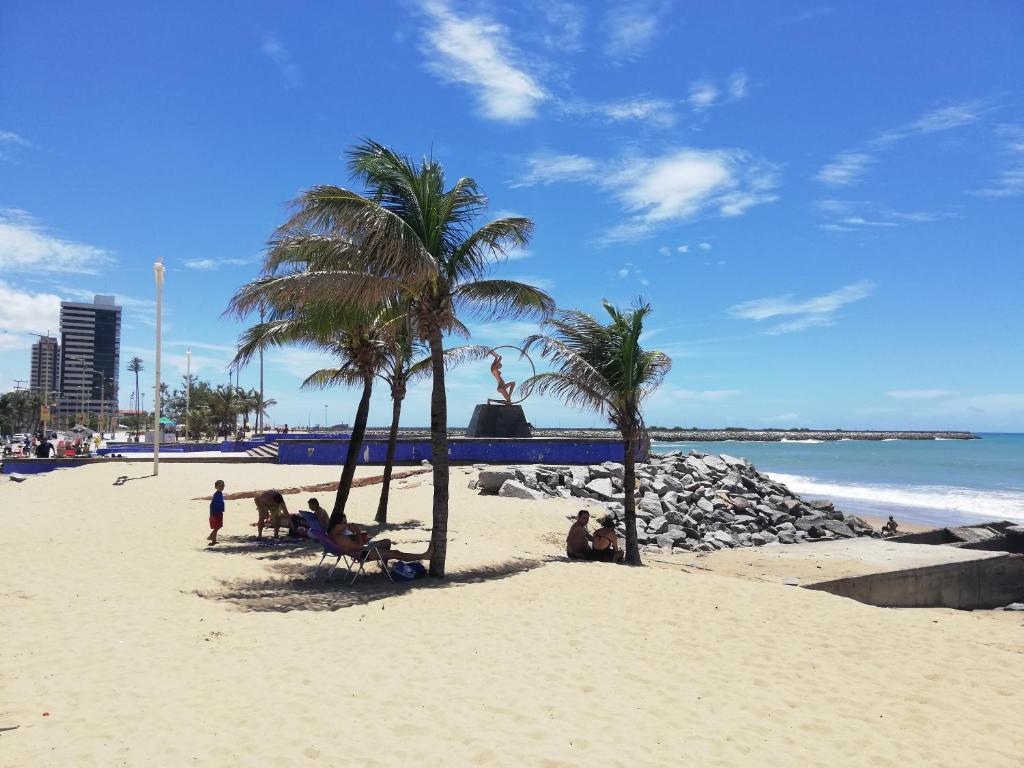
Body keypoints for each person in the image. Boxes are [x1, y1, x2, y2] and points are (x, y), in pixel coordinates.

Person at [327, 511, 432, 564]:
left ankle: (384, 565)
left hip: (361, 550)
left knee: (387, 542)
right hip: (364, 554)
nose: (346, 524)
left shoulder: (333, 533)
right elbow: (359, 546)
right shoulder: (340, 538)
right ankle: (424, 556)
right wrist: (358, 532)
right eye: (344, 523)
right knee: (396, 553)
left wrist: (354, 535)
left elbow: (351, 544)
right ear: (337, 524)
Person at [208, 480, 225, 546]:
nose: (221, 487)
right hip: (215, 513)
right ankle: (213, 541)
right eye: (219, 486)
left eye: (223, 486)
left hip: (219, 512)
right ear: (216, 487)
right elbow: (211, 504)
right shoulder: (216, 495)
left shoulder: (220, 494)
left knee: (219, 526)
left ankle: (210, 536)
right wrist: (211, 514)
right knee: (216, 527)